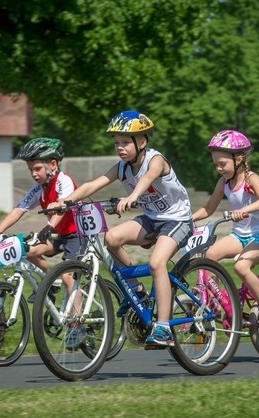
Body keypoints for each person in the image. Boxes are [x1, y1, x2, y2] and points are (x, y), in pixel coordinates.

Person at [62, 110, 193, 346]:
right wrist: (64, 202)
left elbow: (147, 179)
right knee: (111, 238)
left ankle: (163, 328)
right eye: (116, 143)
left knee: (156, 263)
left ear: (141, 141)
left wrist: (132, 196)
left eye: (125, 142)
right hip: (152, 219)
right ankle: (138, 291)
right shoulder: (122, 167)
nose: (119, 148)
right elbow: (94, 184)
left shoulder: (156, 160)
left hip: (177, 220)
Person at [0, 137, 87, 348]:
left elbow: (62, 207)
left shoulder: (63, 181)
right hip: (58, 236)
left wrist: (49, 226)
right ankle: (51, 284)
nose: (34, 173)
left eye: (38, 168)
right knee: (27, 251)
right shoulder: (39, 188)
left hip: (78, 234)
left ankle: (77, 325)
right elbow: (19, 209)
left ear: (53, 164)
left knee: (68, 274)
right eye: (31, 169)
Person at [191, 130, 259, 335]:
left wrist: (244, 210)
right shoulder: (223, 183)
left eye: (222, 164)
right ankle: (211, 301)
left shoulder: (251, 179)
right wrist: (188, 219)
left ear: (238, 158)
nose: (219, 169)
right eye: (216, 165)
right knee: (209, 255)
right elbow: (209, 209)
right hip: (239, 236)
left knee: (241, 267)